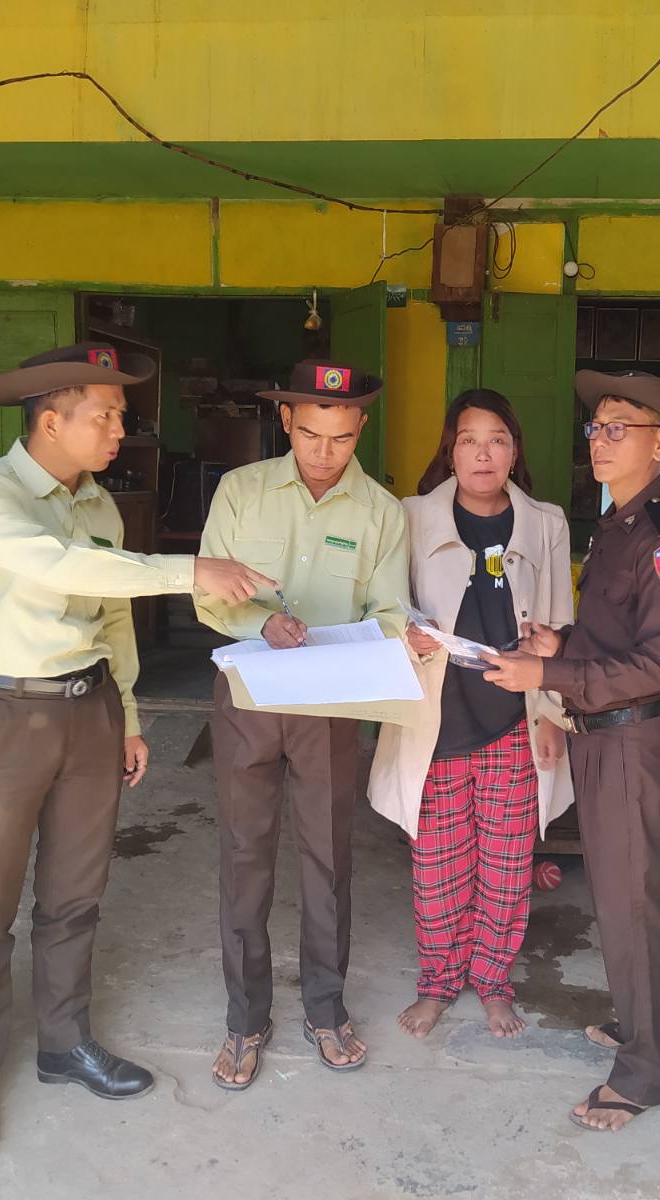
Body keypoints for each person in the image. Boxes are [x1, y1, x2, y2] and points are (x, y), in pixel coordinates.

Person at [0, 343, 273, 1166]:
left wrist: (126, 717)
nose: (122, 429)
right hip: (4, 713)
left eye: (121, 416)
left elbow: (114, 618)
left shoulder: (102, 506)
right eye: (107, 415)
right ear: (51, 421)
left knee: (74, 896)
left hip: (88, 708)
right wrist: (192, 569)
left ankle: (63, 1042)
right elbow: (59, 566)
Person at [483, 370, 660, 1132]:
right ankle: (651, 1032)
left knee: (630, 904)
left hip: (632, 740)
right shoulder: (615, 525)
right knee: (619, 901)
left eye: (619, 429)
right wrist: (563, 643)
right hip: (604, 734)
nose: (600, 442)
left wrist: (544, 675)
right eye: (596, 428)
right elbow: (613, 639)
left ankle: (643, 1074)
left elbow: (652, 666)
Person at [195, 360, 409, 1089]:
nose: (325, 452)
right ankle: (245, 1018)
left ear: (361, 428)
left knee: (328, 857)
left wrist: (387, 638)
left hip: (331, 706)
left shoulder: (381, 513)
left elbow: (389, 612)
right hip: (249, 693)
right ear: (286, 420)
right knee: (244, 854)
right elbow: (208, 594)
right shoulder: (241, 492)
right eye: (312, 434)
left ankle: (326, 1006)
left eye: (342, 438)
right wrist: (262, 622)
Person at [366, 389, 574, 1040]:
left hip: (514, 722)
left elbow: (560, 624)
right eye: (468, 440)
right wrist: (404, 630)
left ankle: (493, 983)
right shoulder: (411, 516)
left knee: (507, 869)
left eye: (497, 440)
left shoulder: (546, 522)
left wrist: (552, 714)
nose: (483, 453)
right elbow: (384, 602)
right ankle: (437, 983)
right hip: (437, 723)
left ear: (514, 452)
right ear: (450, 451)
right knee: (438, 872)